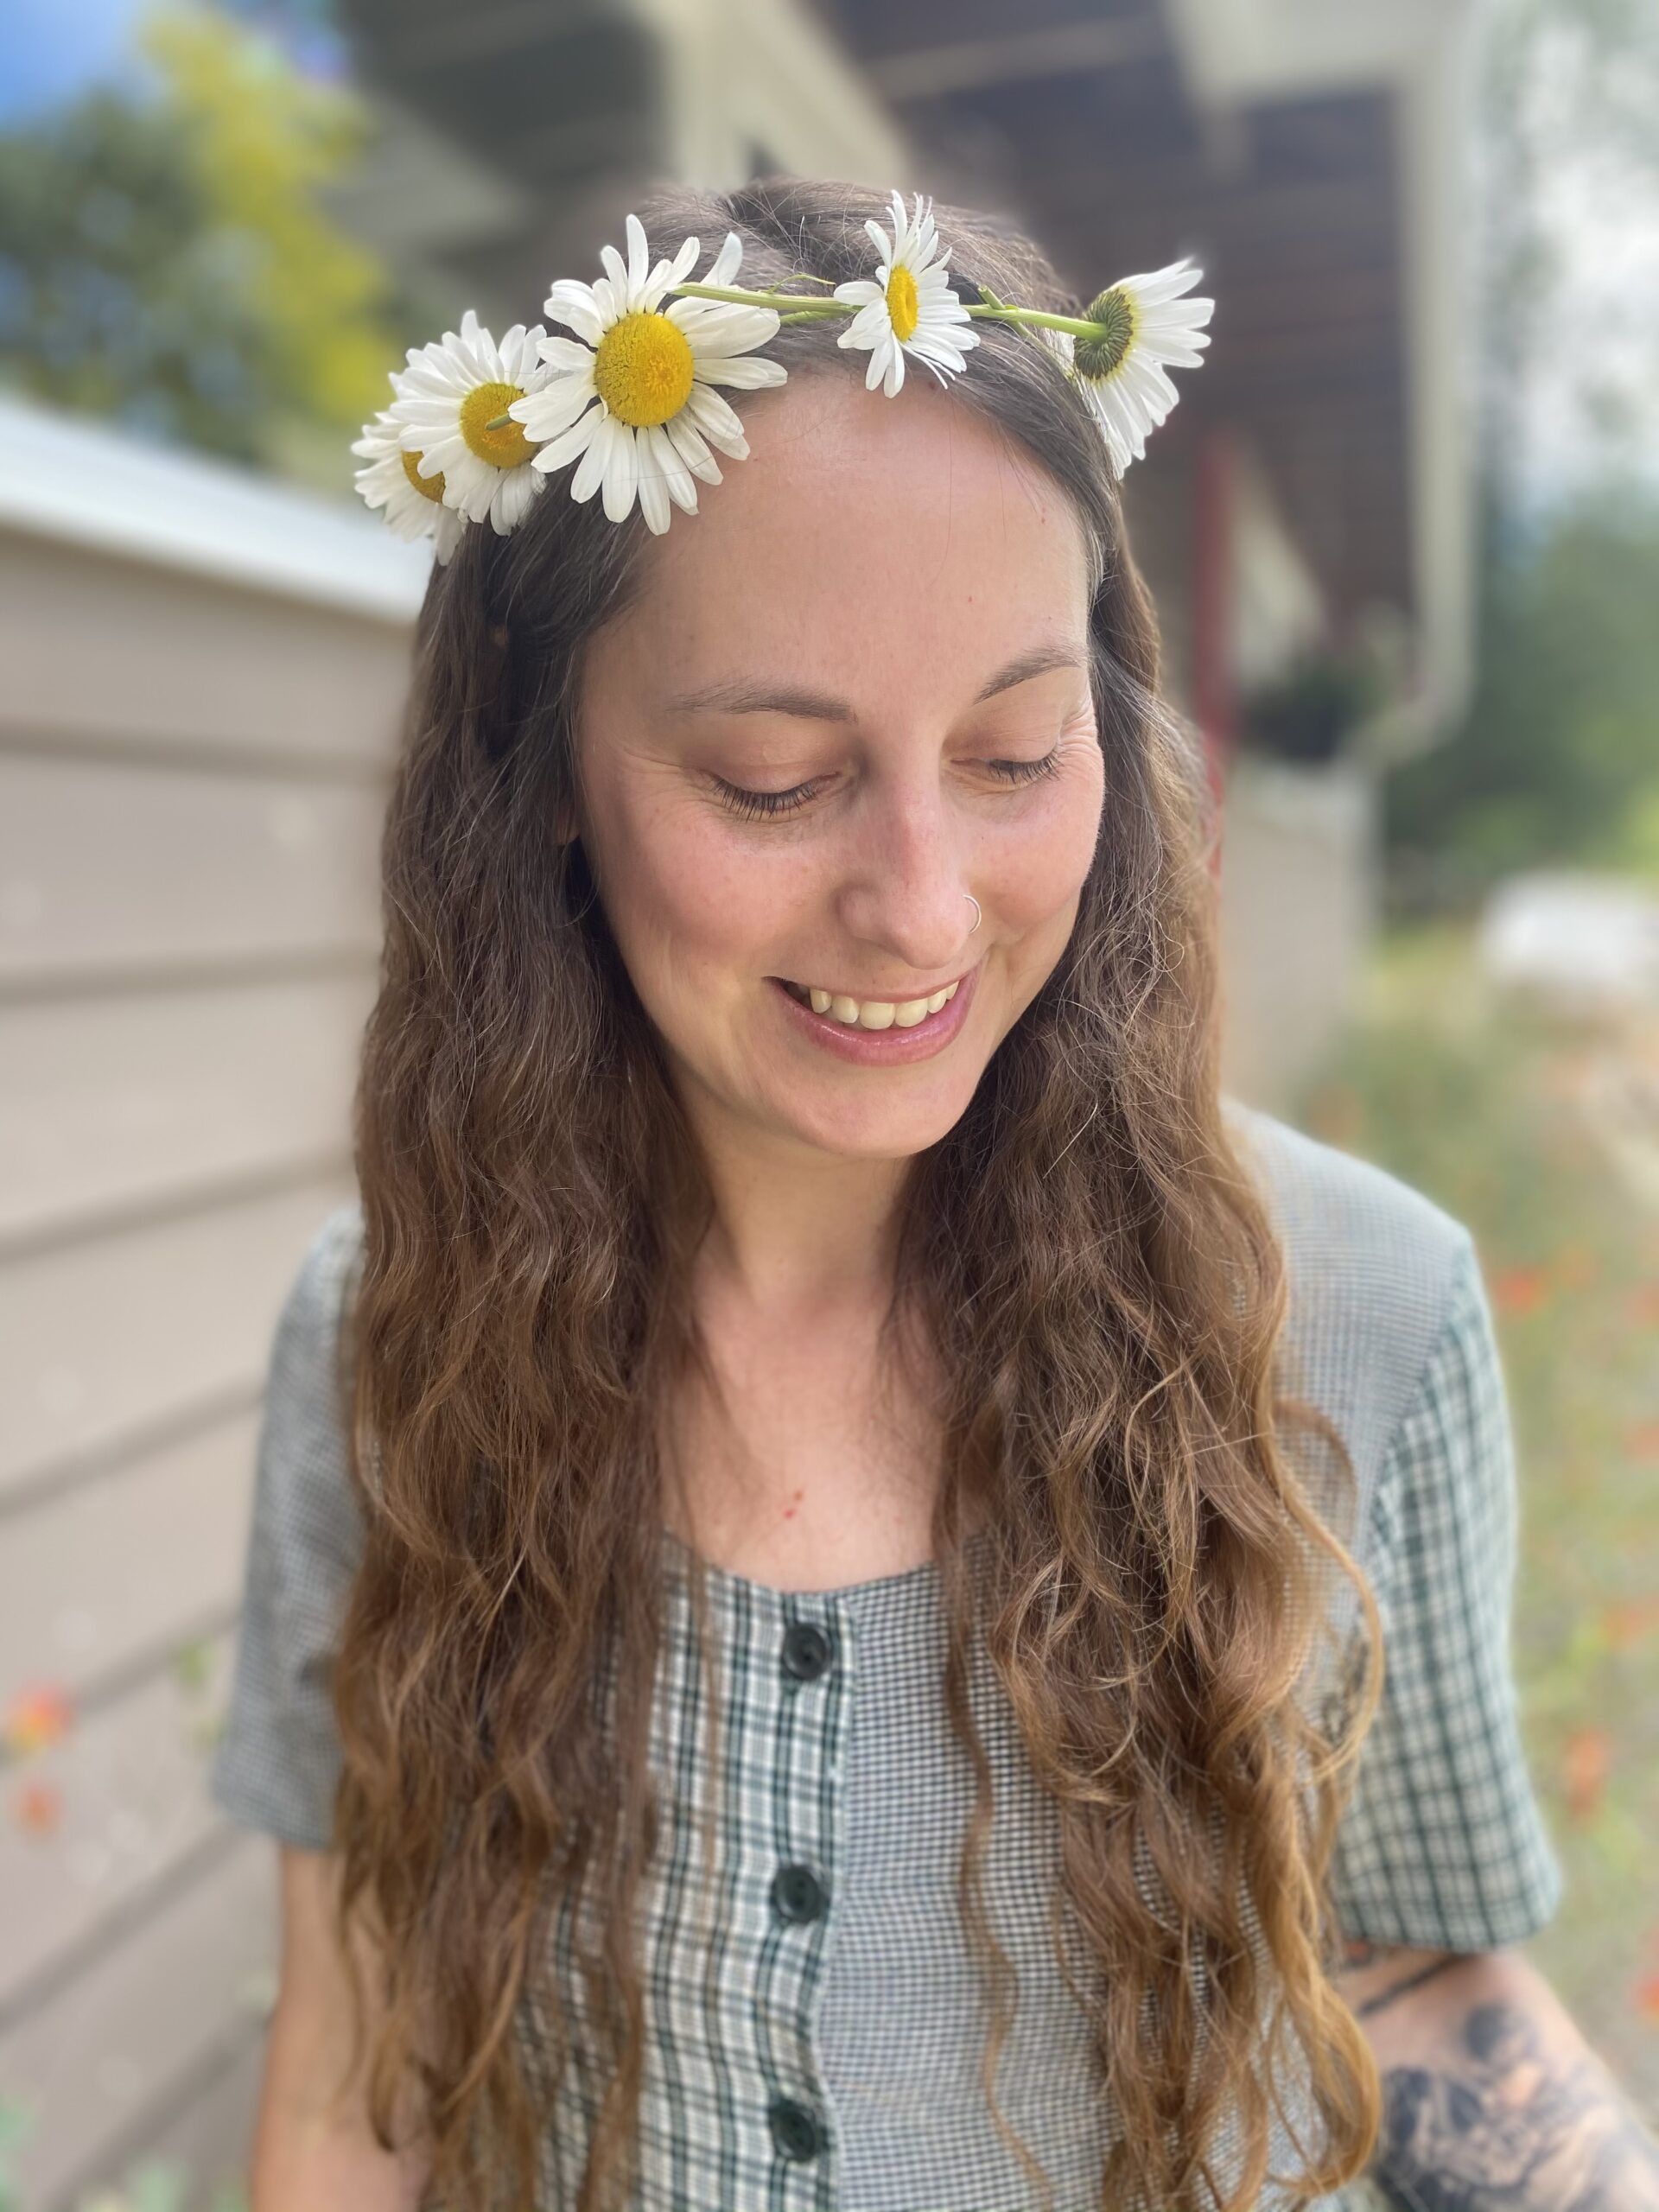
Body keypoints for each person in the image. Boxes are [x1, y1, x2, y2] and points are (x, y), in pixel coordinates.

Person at [209, 178, 1657, 2212]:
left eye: (1014, 751)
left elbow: (1404, 1961)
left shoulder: (1361, 1313)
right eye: (776, 780)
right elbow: (359, 2068)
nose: (919, 902)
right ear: (543, 770)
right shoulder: (387, 1338)